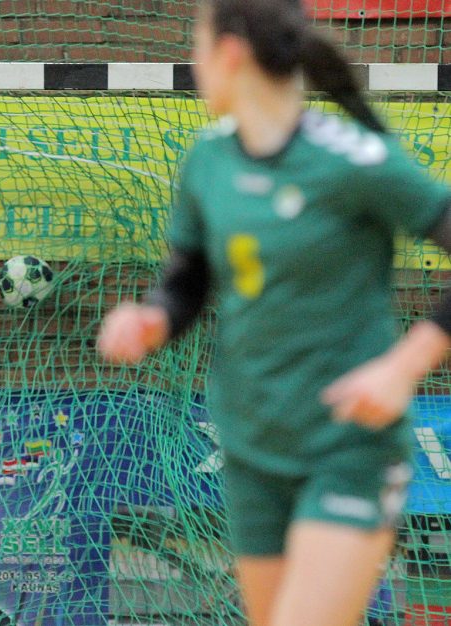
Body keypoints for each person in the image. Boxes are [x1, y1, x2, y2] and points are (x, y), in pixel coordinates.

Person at [97, 2, 451, 626]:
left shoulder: (350, 158)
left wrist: (403, 367)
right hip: (253, 446)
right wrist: (152, 317)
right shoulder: (208, 159)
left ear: (230, 54)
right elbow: (188, 281)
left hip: (347, 446)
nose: (193, 63)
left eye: (197, 47)